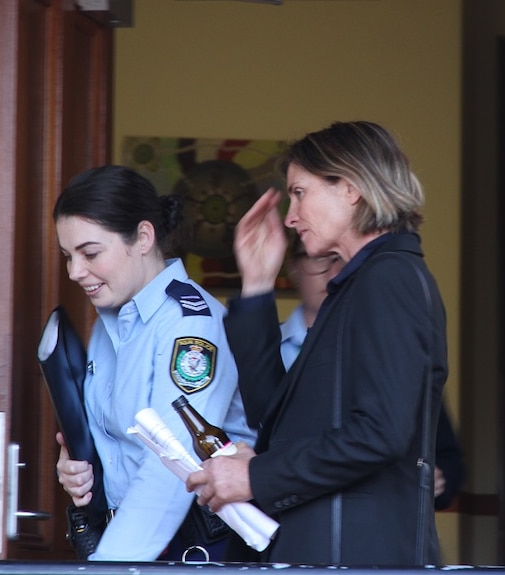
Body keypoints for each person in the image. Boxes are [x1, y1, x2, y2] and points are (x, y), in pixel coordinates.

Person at [186, 120, 449, 566]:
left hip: (358, 560)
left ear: (350, 188)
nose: (290, 216)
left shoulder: (388, 278)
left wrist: (256, 476)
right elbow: (277, 419)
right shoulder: (359, 284)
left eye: (300, 192)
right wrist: (256, 285)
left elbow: (380, 434)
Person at [53, 165, 256, 561]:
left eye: (90, 253)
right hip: (133, 545)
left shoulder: (189, 325)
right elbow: (120, 443)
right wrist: (80, 466)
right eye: (68, 256)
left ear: (144, 237)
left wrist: (107, 568)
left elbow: (171, 464)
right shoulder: (108, 321)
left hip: (189, 550)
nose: (75, 272)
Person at [280, 238, 463, 512]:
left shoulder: (386, 350)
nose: (334, 272)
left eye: (342, 260)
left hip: (373, 526)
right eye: (319, 258)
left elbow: (445, 456)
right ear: (294, 268)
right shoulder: (264, 349)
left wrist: (435, 479)